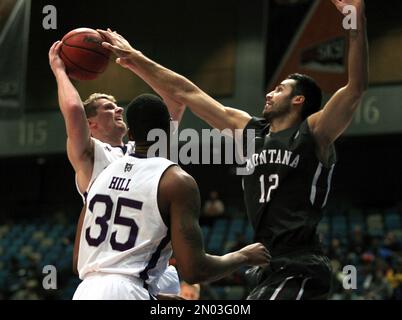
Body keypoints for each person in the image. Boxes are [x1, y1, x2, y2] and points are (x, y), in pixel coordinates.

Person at [97, 0, 368, 299]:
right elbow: (188, 92)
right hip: (267, 264)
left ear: (299, 100)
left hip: (300, 265)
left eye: (279, 89)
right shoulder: (249, 131)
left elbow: (355, 88)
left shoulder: (313, 133)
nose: (269, 92)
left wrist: (355, 22)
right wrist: (135, 58)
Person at [72, 93, 270, 299]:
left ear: (130, 134)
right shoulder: (175, 181)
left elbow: (79, 262)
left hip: (85, 291)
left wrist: (158, 297)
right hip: (129, 292)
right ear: (169, 130)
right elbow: (195, 270)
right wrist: (243, 256)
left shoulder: (101, 175)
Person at [48, 42, 186, 296]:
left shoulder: (144, 149)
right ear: (90, 124)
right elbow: (73, 110)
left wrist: (135, 61)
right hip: (116, 273)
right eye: (108, 108)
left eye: (117, 105)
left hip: (153, 270)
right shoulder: (92, 155)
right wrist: (60, 71)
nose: (119, 108)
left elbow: (175, 103)